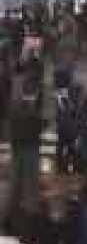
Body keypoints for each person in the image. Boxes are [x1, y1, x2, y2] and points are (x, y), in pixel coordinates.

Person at [6, 78, 43, 222]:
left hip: (16, 149)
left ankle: (10, 215)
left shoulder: (15, 108)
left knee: (15, 183)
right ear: (35, 92)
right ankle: (30, 217)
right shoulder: (33, 111)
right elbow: (38, 127)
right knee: (30, 185)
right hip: (30, 150)